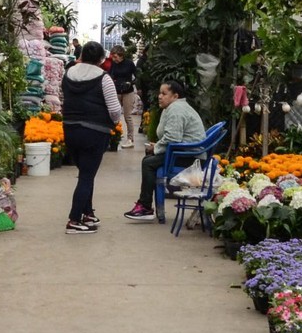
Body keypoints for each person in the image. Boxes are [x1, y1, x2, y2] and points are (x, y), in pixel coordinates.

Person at [60, 41, 122, 233]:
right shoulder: (104, 78)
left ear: (82, 55)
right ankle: (74, 220)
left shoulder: (68, 74)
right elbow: (114, 110)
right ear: (101, 59)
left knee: (86, 174)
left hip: (70, 130)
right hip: (94, 132)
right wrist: (112, 122)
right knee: (87, 176)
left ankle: (87, 213)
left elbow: (64, 99)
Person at [124, 78, 206, 222]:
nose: (160, 96)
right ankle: (145, 206)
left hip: (190, 157)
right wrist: (157, 146)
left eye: (164, 93)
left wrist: (156, 148)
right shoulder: (175, 107)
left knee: (148, 163)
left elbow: (173, 138)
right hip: (184, 152)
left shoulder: (176, 109)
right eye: (160, 93)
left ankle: (145, 207)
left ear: (175, 96)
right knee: (149, 160)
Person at [108, 47, 141, 147]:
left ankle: (130, 139)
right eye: (113, 57)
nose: (114, 59)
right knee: (114, 115)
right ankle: (113, 139)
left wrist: (131, 83)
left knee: (128, 116)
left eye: (115, 57)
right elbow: (109, 75)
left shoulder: (129, 63)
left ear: (121, 55)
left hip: (128, 92)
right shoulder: (113, 64)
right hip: (116, 91)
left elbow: (137, 75)